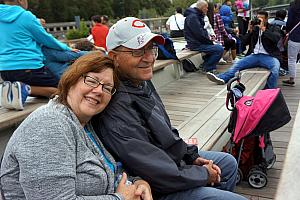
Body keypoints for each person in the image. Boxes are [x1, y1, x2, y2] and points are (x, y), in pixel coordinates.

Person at [92, 16, 246, 200]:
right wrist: (203, 174)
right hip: (152, 186)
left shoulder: (140, 81)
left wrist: (191, 157)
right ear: (114, 57)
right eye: (138, 51)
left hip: (166, 163)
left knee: (227, 163)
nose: (149, 58)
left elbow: (165, 130)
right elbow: (153, 170)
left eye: (151, 48)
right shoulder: (116, 106)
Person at [0, 52, 153, 200]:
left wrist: (137, 182)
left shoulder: (85, 124)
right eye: (92, 81)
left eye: (107, 88)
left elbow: (110, 169)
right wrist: (119, 198)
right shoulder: (49, 124)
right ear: (71, 80)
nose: (99, 90)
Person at [0, 0, 72, 110]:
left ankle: (16, 90)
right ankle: (27, 89)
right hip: (29, 68)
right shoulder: (25, 16)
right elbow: (46, 39)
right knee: (65, 91)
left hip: (4, 71)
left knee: (46, 92)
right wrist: (68, 48)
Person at [207, 10, 282, 89]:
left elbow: (276, 39)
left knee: (275, 69)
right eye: (257, 18)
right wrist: (249, 30)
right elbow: (243, 42)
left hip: (269, 56)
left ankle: (269, 90)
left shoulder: (273, 27)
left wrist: (264, 30)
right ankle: (222, 78)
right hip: (255, 56)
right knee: (237, 65)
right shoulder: (255, 29)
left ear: (266, 19)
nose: (258, 21)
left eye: (261, 19)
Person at [184, 0, 224, 74]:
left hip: (198, 42)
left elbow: (201, 32)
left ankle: (205, 65)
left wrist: (210, 40)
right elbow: (198, 34)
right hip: (195, 44)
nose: (207, 9)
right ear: (202, 7)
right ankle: (208, 68)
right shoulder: (193, 17)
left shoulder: (196, 15)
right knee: (219, 49)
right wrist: (209, 41)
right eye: (206, 7)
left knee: (216, 46)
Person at [282, 0, 300, 86]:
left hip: (295, 36)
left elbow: (289, 21)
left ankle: (291, 79)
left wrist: (287, 30)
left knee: (292, 59)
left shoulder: (293, 5)